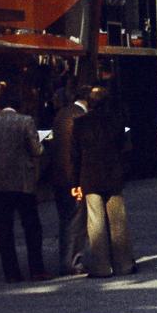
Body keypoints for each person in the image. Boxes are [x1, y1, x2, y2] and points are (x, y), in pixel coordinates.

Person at [0, 88, 47, 284]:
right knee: (31, 226)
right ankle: (37, 269)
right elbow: (37, 150)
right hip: (22, 179)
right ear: (18, 104)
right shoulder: (25, 121)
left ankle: (12, 273)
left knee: (4, 228)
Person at [70, 86, 135, 277]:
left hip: (89, 176)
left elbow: (75, 155)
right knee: (118, 221)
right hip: (113, 175)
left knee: (95, 223)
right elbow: (126, 149)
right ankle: (124, 264)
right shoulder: (117, 122)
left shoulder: (80, 123)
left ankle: (101, 266)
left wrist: (75, 183)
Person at [46, 86, 89, 274]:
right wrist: (77, 182)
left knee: (65, 220)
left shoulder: (62, 114)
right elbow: (75, 152)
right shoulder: (80, 117)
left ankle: (67, 259)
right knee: (75, 221)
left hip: (59, 176)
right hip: (72, 177)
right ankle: (72, 262)